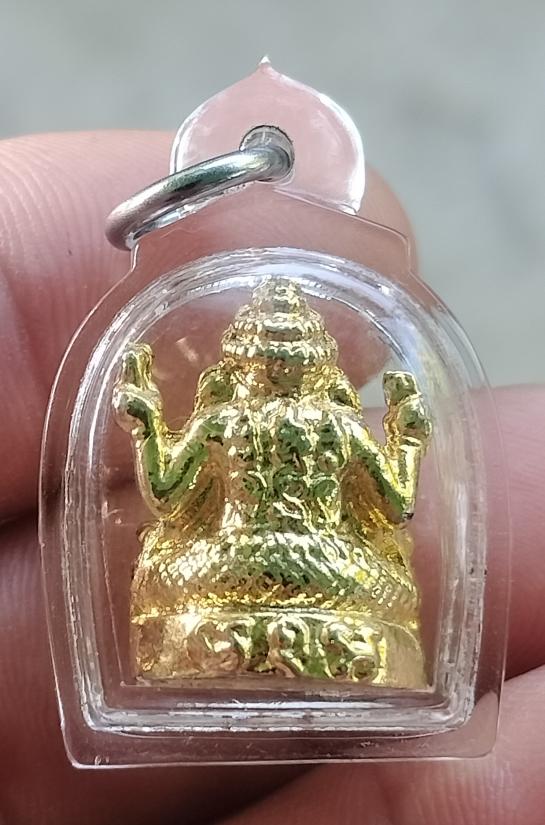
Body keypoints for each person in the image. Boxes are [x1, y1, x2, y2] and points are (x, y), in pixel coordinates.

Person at [0, 129, 543, 824]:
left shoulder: (238, 419)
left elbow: (166, 494)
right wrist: (404, 440)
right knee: (384, 580)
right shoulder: (314, 423)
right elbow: (396, 502)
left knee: (164, 571)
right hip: (335, 577)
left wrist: (149, 424)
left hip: (226, 570)